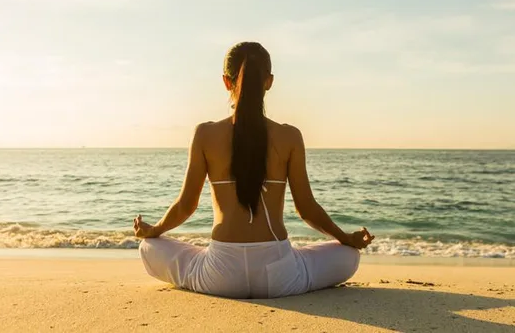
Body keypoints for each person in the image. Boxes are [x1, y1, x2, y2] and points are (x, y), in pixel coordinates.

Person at [134, 42, 374, 299]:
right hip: (281, 276)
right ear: (269, 81)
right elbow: (306, 209)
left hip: (220, 276)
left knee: (149, 247)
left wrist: (153, 231)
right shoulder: (289, 136)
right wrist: (344, 238)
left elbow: (186, 206)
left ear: (226, 82)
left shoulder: (205, 134)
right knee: (348, 255)